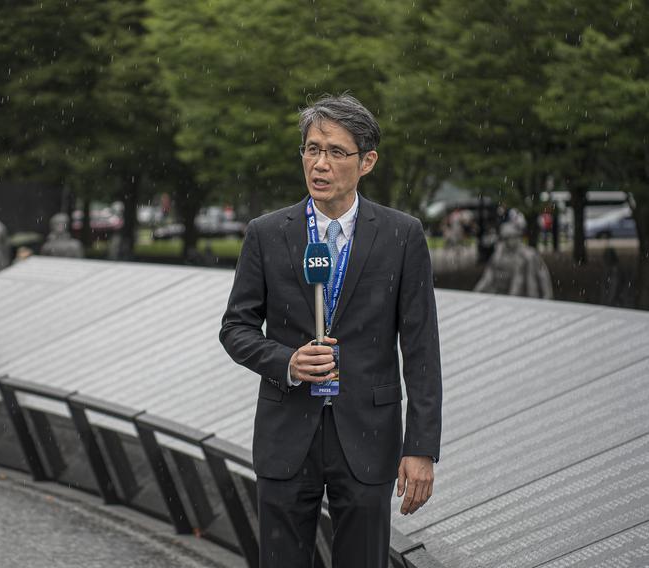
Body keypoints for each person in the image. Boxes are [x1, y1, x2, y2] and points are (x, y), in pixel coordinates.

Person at [219, 94, 442, 568]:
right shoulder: (266, 232)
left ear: (367, 162)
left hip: (369, 434)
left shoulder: (403, 236)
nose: (319, 164)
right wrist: (287, 362)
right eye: (311, 149)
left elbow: (421, 349)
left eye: (336, 152)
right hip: (286, 433)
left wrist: (420, 448)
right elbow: (236, 328)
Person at [473, 222, 553, 299]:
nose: (508, 241)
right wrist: (476, 293)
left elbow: (543, 276)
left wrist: (547, 295)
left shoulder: (528, 255)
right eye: (505, 238)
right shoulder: (498, 254)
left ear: (517, 237)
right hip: (499, 294)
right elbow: (488, 277)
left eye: (511, 237)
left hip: (524, 296)